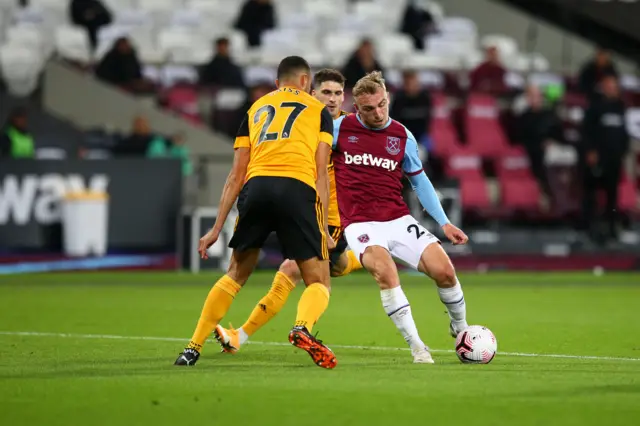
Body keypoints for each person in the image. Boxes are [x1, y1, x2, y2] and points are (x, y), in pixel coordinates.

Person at [174, 56, 338, 369]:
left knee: (235, 275)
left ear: (278, 83)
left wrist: (215, 229)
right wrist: (325, 227)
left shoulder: (255, 109)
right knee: (318, 280)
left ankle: (192, 348)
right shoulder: (318, 110)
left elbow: (235, 174)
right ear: (306, 82)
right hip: (297, 188)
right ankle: (302, 326)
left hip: (257, 187)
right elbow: (321, 173)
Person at [214, 69, 363, 353]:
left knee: (291, 268)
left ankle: (277, 332)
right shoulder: (302, 123)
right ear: (312, 94)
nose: (332, 100)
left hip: (328, 219)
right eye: (326, 93)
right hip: (302, 211)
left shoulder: (351, 128)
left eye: (337, 94)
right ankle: (367, 255)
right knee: (337, 265)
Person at [332, 71, 470, 364]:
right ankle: (418, 347)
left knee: (445, 271)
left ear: (388, 98)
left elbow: (419, 181)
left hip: (397, 219)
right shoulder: (338, 129)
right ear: (357, 108)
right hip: (360, 223)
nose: (378, 113)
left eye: (382, 104)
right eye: (369, 109)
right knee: (387, 273)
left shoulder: (401, 135)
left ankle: (461, 330)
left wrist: (444, 221)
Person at [580, 75, 629, 243]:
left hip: (614, 159)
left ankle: (612, 229)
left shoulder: (620, 107)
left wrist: (624, 151)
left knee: (612, 197)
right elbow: (587, 132)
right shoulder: (595, 107)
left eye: (614, 86)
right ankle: (591, 229)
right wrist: (591, 151)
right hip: (599, 158)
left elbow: (623, 133)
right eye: (609, 86)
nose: (612, 90)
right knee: (592, 194)